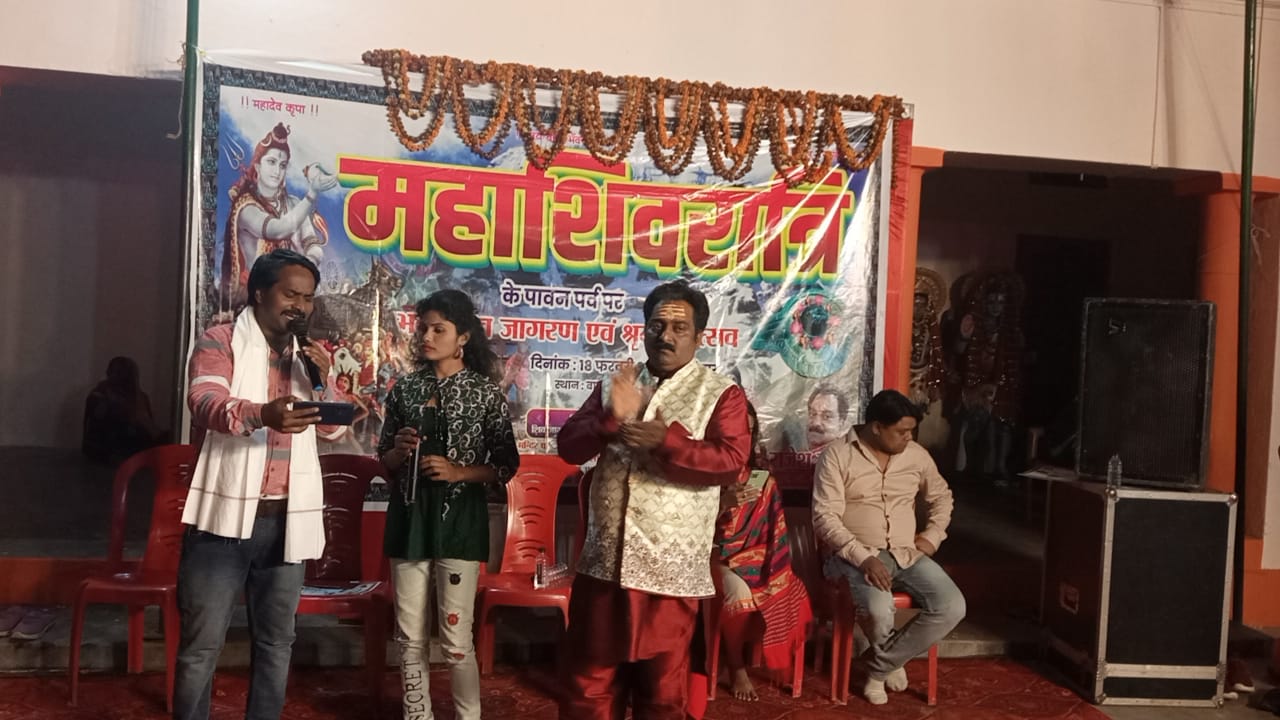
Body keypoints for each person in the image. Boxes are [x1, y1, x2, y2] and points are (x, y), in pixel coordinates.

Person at [557, 280, 752, 720]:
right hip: (604, 567)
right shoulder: (616, 386)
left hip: (670, 573)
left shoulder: (720, 394)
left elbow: (732, 462)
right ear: (644, 330)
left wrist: (667, 442)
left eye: (679, 328)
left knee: (662, 695)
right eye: (656, 325)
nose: (665, 336)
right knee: (589, 689)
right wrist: (610, 419)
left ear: (699, 337)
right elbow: (569, 446)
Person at [176, 249, 341, 720]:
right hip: (223, 524)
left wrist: (325, 382)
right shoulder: (221, 340)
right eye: (291, 295)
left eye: (307, 298)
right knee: (201, 646)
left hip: (286, 521)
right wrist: (260, 415)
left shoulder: (307, 356)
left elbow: (332, 428)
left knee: (276, 643)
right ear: (259, 293)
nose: (300, 307)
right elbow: (204, 401)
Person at [378, 289, 519, 720]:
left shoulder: (485, 393)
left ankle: (467, 716)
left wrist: (460, 472)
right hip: (409, 520)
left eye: (439, 329)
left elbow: (506, 465)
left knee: (456, 641)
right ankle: (417, 715)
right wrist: (399, 451)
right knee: (409, 639)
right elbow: (384, 459)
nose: (427, 336)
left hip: (460, 521)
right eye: (423, 328)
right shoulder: (405, 389)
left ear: (464, 337)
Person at [812, 389, 965, 706]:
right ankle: (890, 664)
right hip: (854, 555)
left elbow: (942, 497)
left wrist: (932, 536)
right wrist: (864, 559)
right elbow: (824, 518)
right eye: (901, 431)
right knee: (879, 610)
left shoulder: (916, 456)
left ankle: (879, 666)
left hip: (907, 553)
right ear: (876, 427)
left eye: (912, 431)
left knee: (952, 606)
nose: (909, 437)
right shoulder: (837, 455)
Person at [714, 402, 812, 701]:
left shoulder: (762, 479)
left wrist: (771, 564)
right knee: (739, 593)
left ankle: (769, 660)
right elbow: (686, 528)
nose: (743, 437)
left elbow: (774, 532)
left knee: (788, 586)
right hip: (709, 557)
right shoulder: (700, 473)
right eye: (736, 429)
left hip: (754, 556)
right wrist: (722, 503)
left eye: (750, 430)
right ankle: (736, 666)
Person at [220, 122, 337, 314]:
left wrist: (302, 272)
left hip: (293, 304)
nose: (277, 171)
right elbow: (278, 230)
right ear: (257, 165)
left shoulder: (293, 204)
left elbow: (313, 244)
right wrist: (311, 195)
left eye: (282, 165)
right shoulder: (246, 207)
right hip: (255, 306)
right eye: (271, 162)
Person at [82, 356, 163, 465]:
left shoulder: (140, 397)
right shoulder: (99, 396)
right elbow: (97, 434)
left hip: (135, 452)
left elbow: (148, 430)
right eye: (115, 372)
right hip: (108, 454)